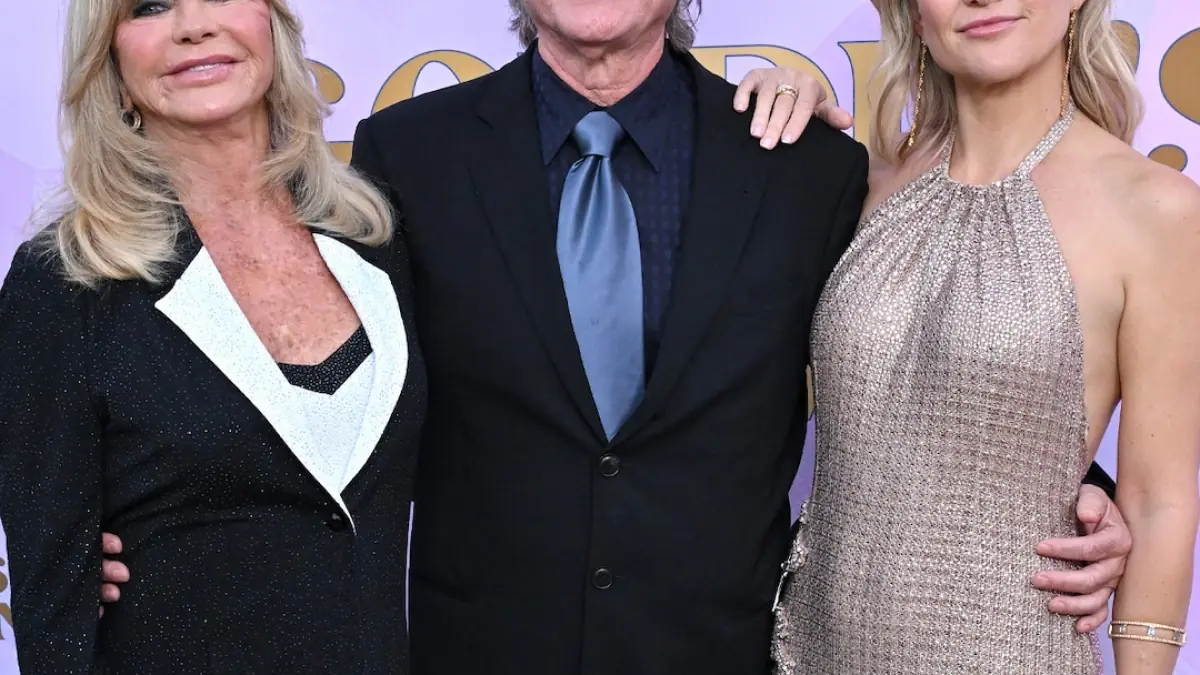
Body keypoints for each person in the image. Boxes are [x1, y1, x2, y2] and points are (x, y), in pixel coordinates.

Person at [96, 1, 1134, 673]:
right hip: (475, 653)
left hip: (722, 656)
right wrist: (145, 515)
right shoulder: (409, 153)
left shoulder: (803, 166)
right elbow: (319, 373)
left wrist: (1079, 487)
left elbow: (911, 352)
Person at [735, 0, 1200, 673]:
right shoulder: (853, 187)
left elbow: (1159, 503)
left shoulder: (1156, 211)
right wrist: (772, 102)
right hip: (810, 652)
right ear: (913, 13)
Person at [0, 0, 425, 673]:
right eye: (150, 6)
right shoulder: (65, 280)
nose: (194, 25)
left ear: (272, 25)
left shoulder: (372, 236)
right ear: (111, 62)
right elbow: (54, 602)